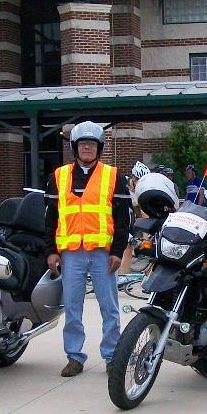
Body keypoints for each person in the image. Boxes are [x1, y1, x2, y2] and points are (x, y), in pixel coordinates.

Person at [44, 121, 132, 377]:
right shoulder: (58, 176)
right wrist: (51, 250)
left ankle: (112, 356)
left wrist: (117, 251)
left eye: (92, 144)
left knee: (109, 307)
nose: (87, 148)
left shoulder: (113, 176)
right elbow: (50, 218)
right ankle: (74, 357)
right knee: (72, 307)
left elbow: (123, 218)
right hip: (71, 253)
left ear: (99, 148)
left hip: (103, 254)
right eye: (82, 144)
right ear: (75, 147)